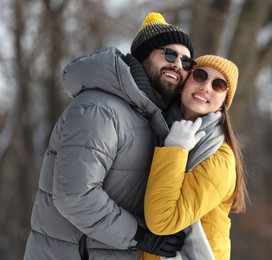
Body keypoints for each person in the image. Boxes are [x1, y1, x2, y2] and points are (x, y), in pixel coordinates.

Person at [24, 12, 197, 260]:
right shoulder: (99, 108)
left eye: (187, 62)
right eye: (169, 54)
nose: (178, 65)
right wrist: (140, 236)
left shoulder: (155, 120)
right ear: (143, 56)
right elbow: (75, 195)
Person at [142, 55, 249, 260]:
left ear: (222, 104)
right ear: (183, 84)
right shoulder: (158, 129)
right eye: (200, 75)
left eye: (218, 85)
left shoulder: (220, 159)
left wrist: (176, 148)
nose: (206, 87)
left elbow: (162, 221)